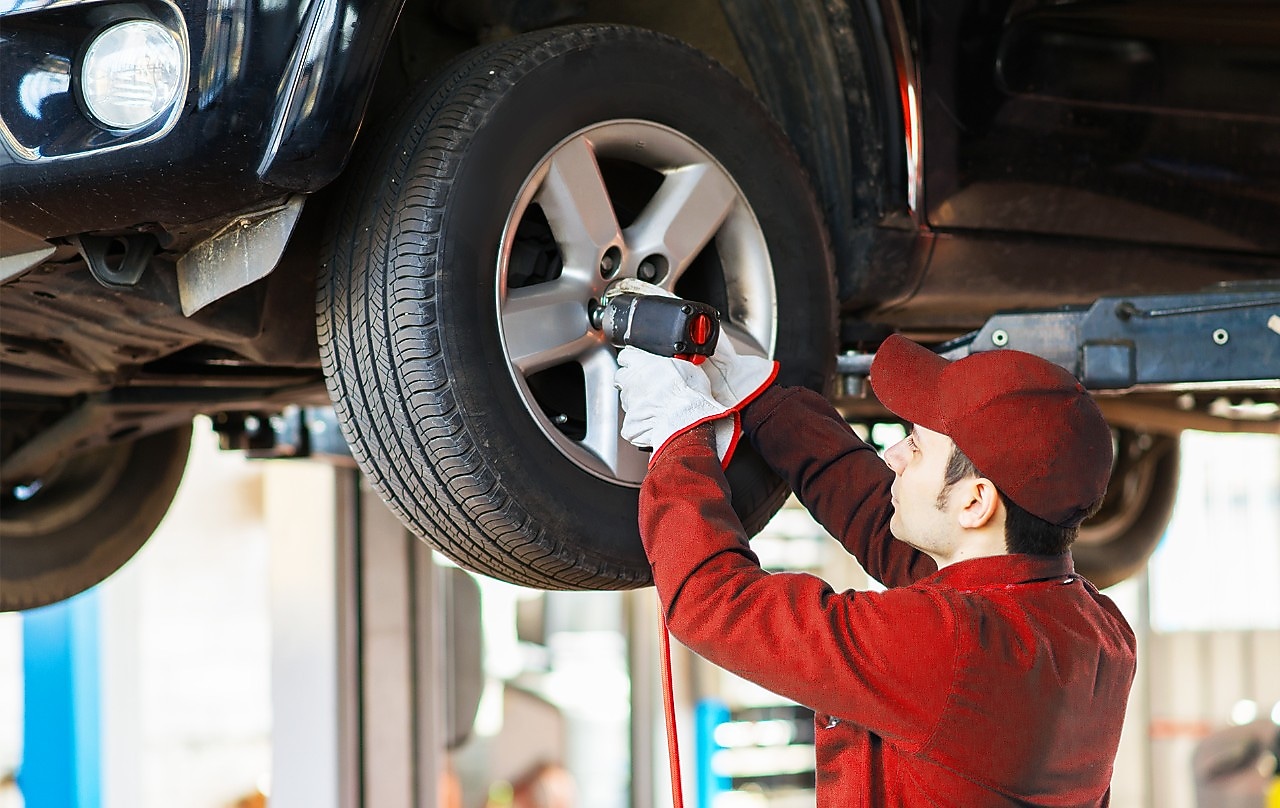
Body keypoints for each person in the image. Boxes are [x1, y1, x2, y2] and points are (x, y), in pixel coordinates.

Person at [615, 332, 1137, 807]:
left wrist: (678, 435)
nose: (893, 455)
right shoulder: (1095, 632)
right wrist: (764, 401)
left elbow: (715, 604)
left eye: (917, 447)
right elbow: (876, 520)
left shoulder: (952, 649)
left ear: (975, 503)